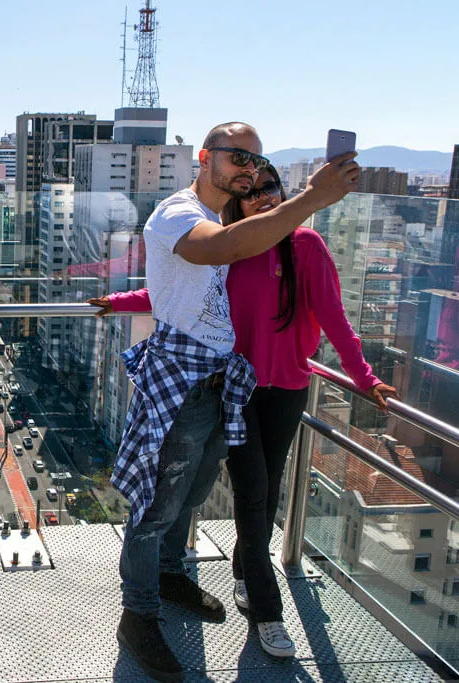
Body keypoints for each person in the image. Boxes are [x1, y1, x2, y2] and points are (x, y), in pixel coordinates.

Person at [92, 165, 396, 661]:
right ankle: (265, 609)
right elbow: (182, 298)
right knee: (248, 498)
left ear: (283, 190)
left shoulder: (304, 246)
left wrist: (364, 377)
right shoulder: (232, 247)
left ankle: (230, 574)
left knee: (255, 491)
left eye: (269, 188)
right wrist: (122, 301)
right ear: (235, 202)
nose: (260, 198)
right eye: (250, 192)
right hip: (236, 391)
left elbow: (335, 317)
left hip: (288, 391)